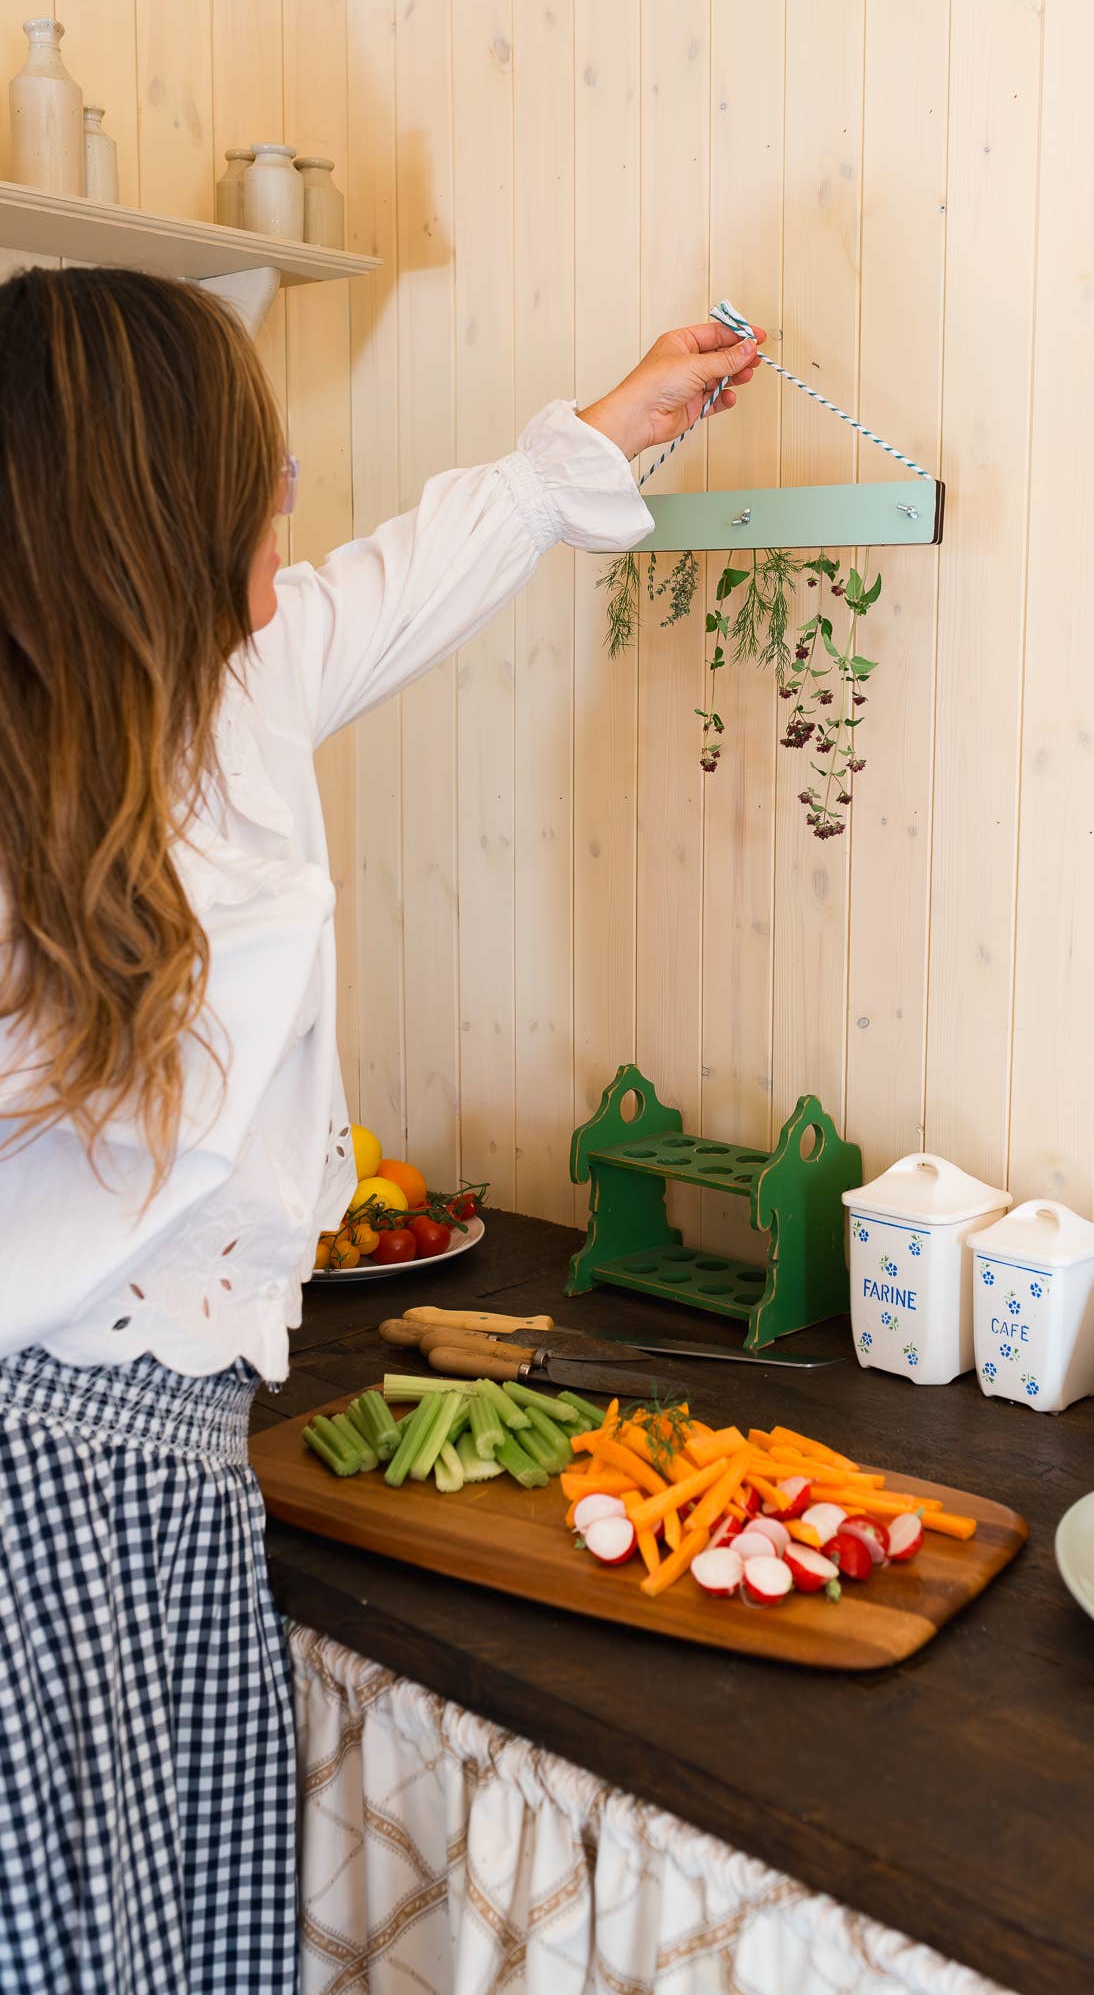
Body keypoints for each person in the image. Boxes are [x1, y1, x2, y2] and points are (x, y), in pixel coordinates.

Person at [0, 264, 762, 1994]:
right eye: (255, 463)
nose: (289, 494)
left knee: (174, 1944)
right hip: (37, 1481)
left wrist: (620, 414)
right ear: (142, 512)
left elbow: (429, 565)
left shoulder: (242, 684)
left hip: (178, 1471)